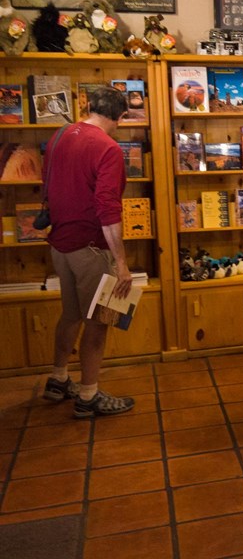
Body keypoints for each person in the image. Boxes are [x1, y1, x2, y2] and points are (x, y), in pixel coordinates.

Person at [41, 86, 135, 418]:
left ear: (88, 106)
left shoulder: (60, 134)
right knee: (100, 322)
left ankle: (58, 379)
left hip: (61, 245)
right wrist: (122, 264)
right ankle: (89, 395)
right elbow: (108, 209)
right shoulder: (108, 149)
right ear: (121, 117)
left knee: (70, 314)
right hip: (92, 248)